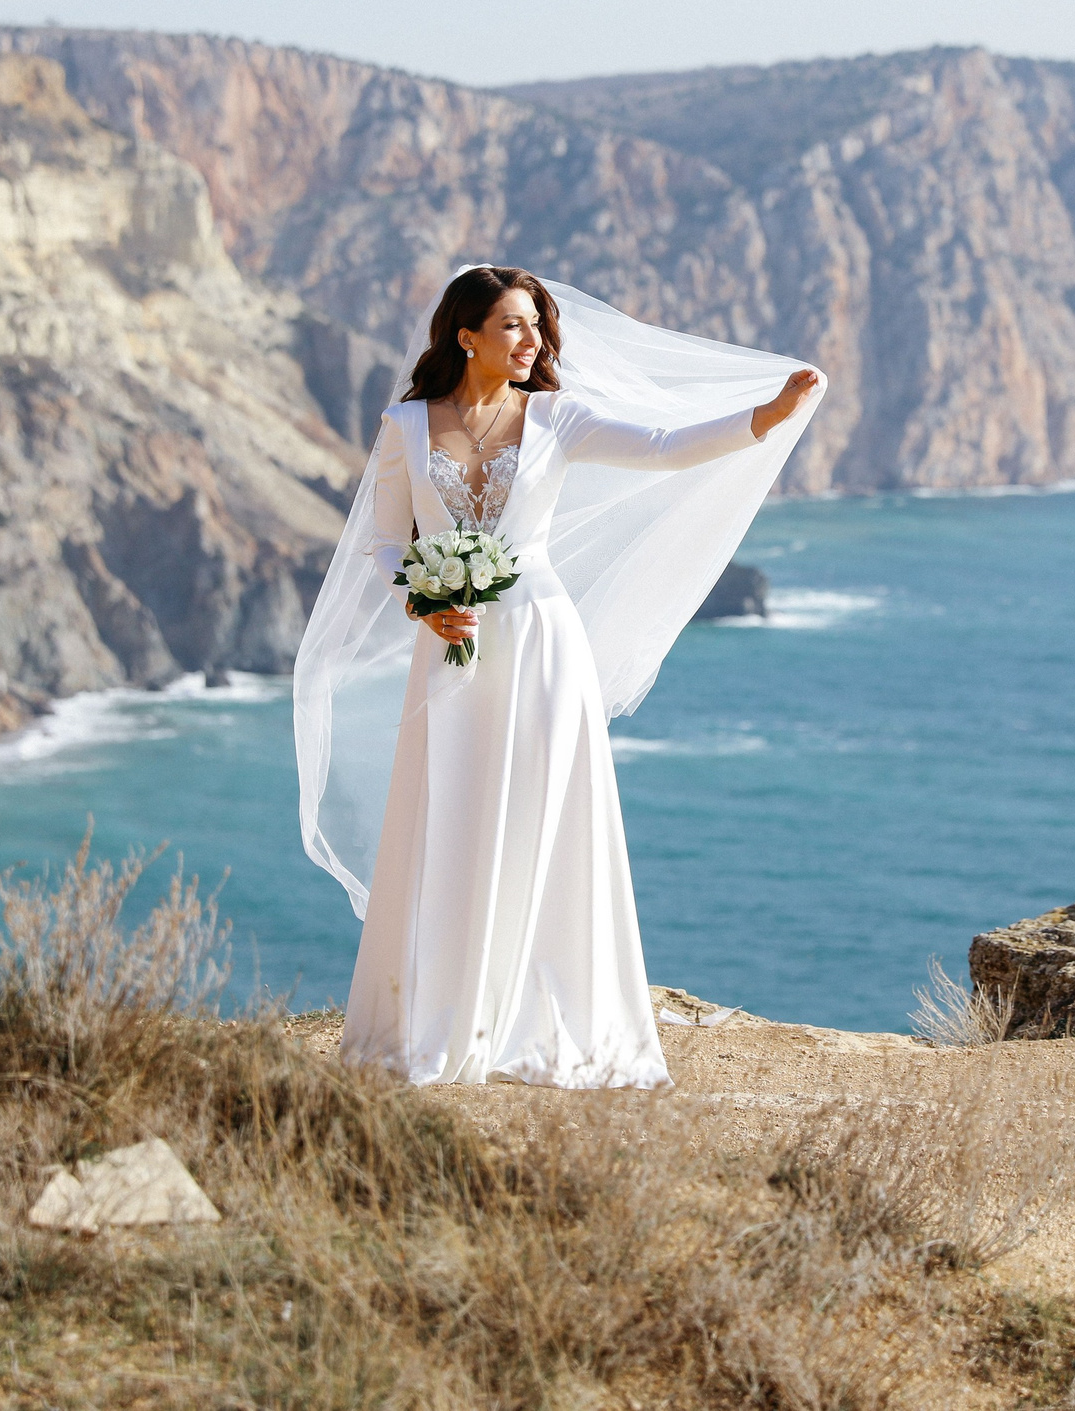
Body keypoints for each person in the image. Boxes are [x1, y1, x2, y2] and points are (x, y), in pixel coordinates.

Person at [294, 265, 823, 1087]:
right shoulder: (403, 426)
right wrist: (425, 604)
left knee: (543, 816)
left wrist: (771, 416)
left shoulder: (558, 419)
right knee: (448, 813)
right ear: (465, 334)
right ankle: (438, 1013)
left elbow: (666, 449)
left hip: (540, 642)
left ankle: (536, 1015)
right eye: (513, 324)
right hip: (449, 643)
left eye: (537, 325)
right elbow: (387, 540)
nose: (532, 339)